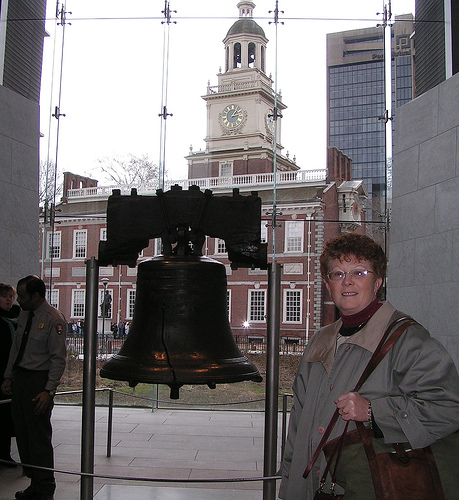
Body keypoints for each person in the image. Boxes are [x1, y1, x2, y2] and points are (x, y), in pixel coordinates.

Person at [279, 233, 459, 500]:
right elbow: (298, 424)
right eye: (338, 274)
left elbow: (448, 408)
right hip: (311, 488)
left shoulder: (407, 341)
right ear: (328, 285)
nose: (347, 281)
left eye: (359, 272)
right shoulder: (320, 341)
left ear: (378, 283)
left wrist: (374, 412)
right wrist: (290, 488)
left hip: (370, 487)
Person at [1, 275, 66, 500]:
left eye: (22, 296)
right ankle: (34, 483)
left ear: (36, 296)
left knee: (38, 438)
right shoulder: (25, 314)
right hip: (20, 379)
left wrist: (48, 391)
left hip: (38, 382)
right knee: (23, 435)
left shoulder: (53, 319)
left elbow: (58, 360)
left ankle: (45, 488)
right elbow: (16, 349)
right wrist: (9, 376)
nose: (18, 300)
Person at [0, 283, 20, 466]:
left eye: (10, 296)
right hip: (0, 371)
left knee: (7, 417)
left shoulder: (18, 317)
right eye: (4, 296)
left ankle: (4, 453)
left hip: (12, 373)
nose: (8, 300)